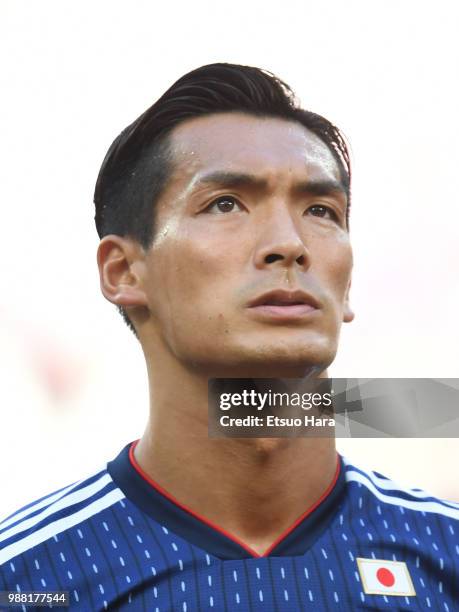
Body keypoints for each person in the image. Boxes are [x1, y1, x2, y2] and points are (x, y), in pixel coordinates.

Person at [1, 63, 457, 611]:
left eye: (320, 210)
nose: (289, 245)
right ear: (123, 272)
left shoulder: (444, 554)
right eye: (226, 203)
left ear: (348, 281)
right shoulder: (29, 579)